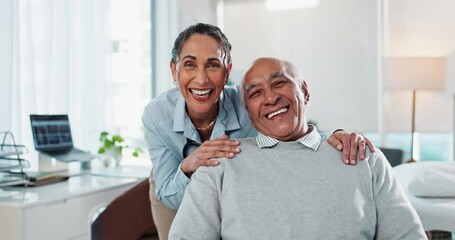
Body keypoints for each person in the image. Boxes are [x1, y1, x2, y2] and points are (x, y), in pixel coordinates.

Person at [142, 23, 375, 240]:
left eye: (213, 65)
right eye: (189, 65)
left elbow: (293, 130)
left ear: (227, 72)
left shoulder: (249, 103)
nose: (201, 78)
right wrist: (189, 165)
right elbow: (168, 194)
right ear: (175, 70)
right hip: (173, 182)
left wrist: (335, 138)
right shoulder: (156, 115)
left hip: (229, 183)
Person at [168, 57, 426, 239]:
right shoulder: (220, 164)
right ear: (248, 112)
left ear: (304, 91)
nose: (270, 98)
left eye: (279, 83)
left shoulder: (361, 156)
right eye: (256, 93)